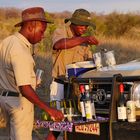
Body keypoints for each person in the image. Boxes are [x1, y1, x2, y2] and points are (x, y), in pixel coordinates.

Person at [0, 7, 64, 140]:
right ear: (31, 26)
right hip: (19, 104)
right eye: (41, 31)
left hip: (5, 99)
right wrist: (49, 109)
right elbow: (24, 88)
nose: (43, 36)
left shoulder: (6, 42)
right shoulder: (20, 50)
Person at [46, 8, 99, 140]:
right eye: (82, 24)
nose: (85, 28)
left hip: (76, 88)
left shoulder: (84, 42)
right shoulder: (61, 32)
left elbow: (89, 63)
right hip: (59, 85)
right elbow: (58, 45)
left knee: (77, 123)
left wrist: (96, 61)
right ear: (73, 23)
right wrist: (84, 39)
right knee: (56, 126)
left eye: (86, 26)